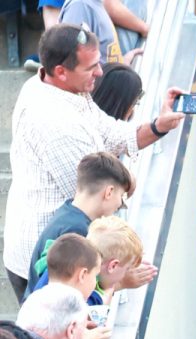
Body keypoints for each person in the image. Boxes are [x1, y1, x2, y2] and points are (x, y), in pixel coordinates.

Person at [4, 24, 185, 296]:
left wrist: (159, 126)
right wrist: (120, 280)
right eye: (90, 68)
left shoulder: (59, 87)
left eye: (98, 63)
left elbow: (112, 132)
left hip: (61, 248)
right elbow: (95, 199)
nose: (100, 72)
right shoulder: (55, 122)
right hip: (46, 261)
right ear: (61, 71)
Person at [25, 151, 131, 295]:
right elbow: (72, 289)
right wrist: (119, 284)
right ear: (109, 192)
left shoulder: (67, 212)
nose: (119, 204)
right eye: (121, 196)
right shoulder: (78, 232)